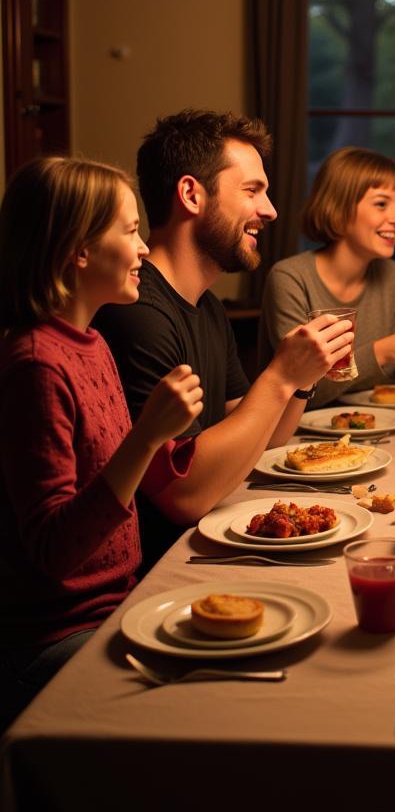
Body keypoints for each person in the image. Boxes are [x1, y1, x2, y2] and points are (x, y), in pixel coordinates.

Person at [93, 109, 352, 567]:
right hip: (159, 570)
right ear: (191, 194)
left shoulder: (209, 306)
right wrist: (278, 376)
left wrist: (301, 380)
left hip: (211, 541)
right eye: (252, 190)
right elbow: (184, 496)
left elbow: (262, 441)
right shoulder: (136, 313)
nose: (270, 210)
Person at [0, 157, 203, 729]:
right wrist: (146, 437)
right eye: (131, 229)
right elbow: (54, 549)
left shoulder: (89, 342)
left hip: (122, 604)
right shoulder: (35, 364)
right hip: (52, 638)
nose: (143, 249)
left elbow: (116, 463)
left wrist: (173, 444)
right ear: (79, 249)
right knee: (199, 714)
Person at [258, 147, 395, 406]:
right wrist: (381, 353)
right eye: (381, 204)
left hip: (376, 428)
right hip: (298, 437)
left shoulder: (394, 277)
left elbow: (392, 388)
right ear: (339, 207)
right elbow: (301, 392)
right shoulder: (290, 279)